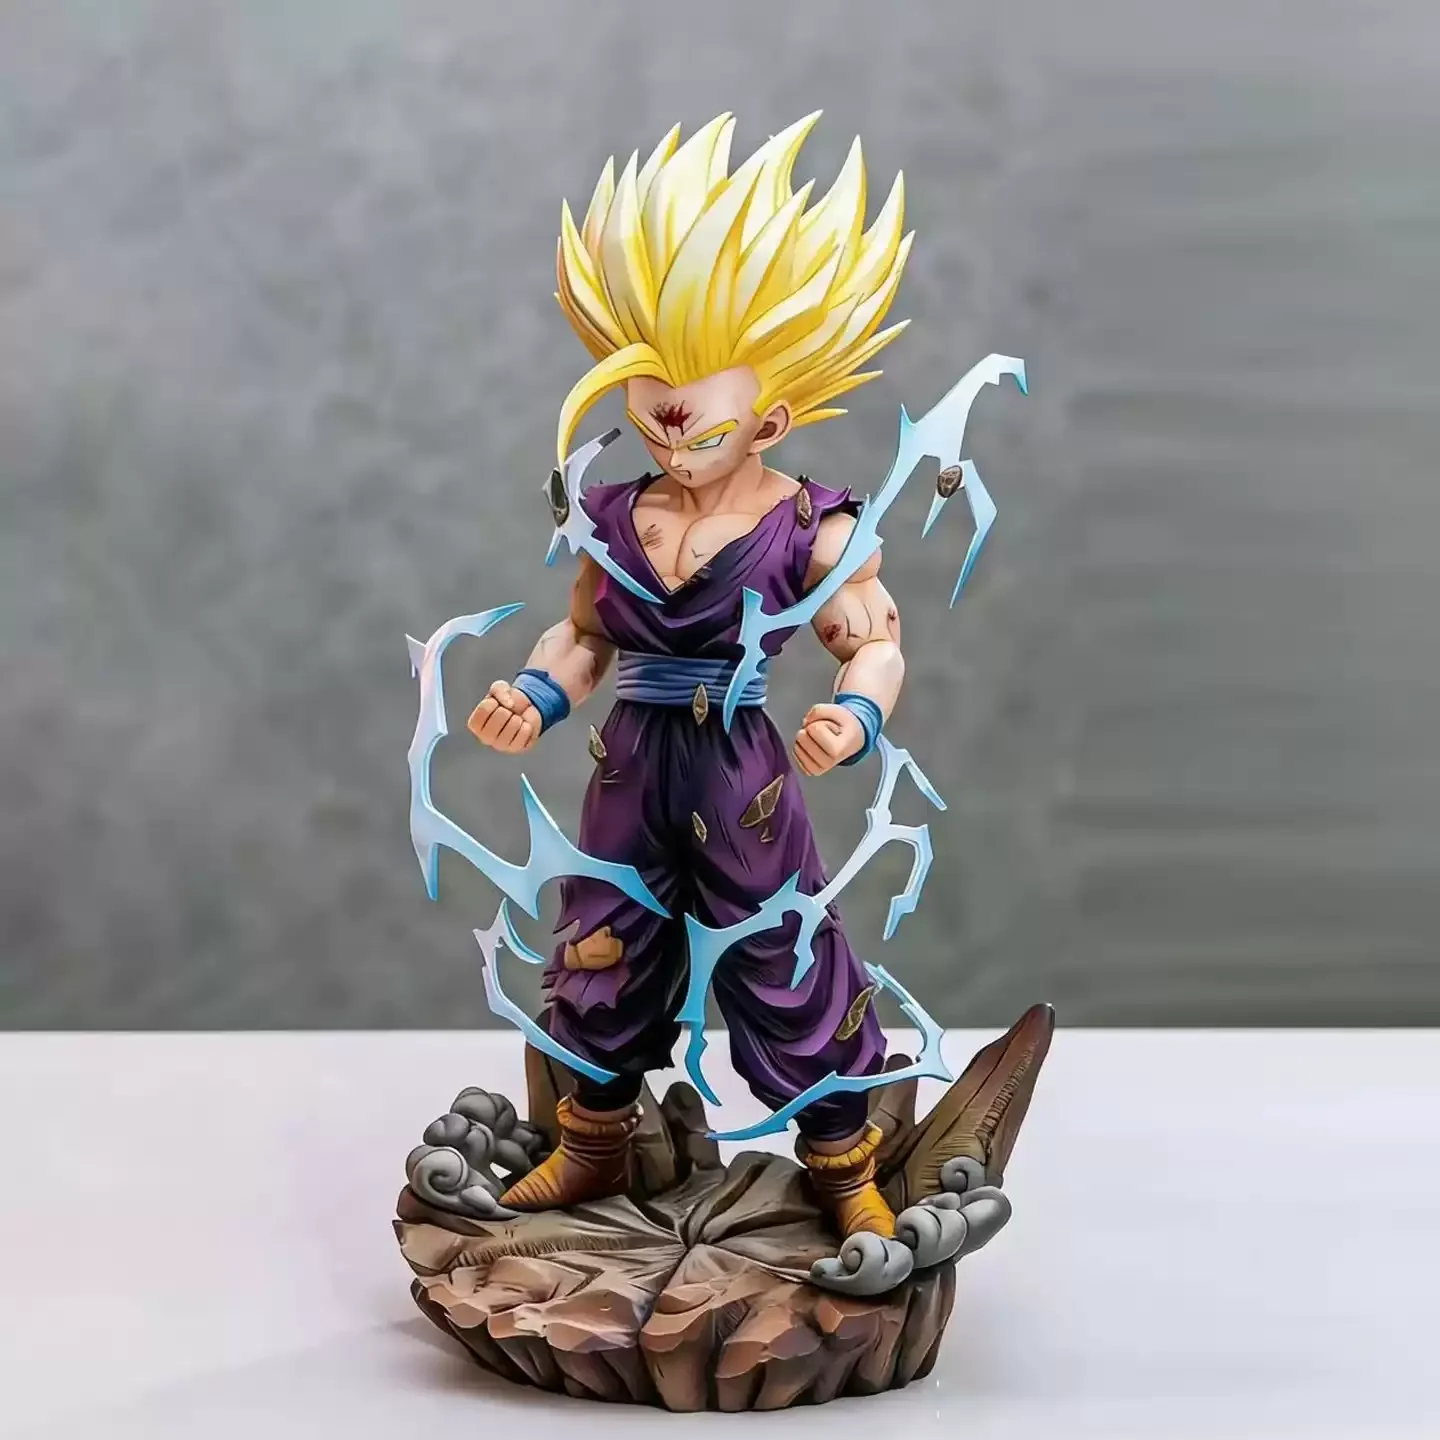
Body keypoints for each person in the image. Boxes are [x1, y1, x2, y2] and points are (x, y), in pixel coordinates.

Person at [468, 112, 912, 1242]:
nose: (670, 441)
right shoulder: (614, 515)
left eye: (698, 425)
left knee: (783, 955)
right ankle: (590, 1148)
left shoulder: (812, 526)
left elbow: (874, 639)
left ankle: (844, 1167)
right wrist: (535, 695)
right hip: (630, 763)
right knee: (600, 943)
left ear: (770, 417)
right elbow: (583, 634)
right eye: (652, 414)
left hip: (740, 769)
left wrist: (855, 717)